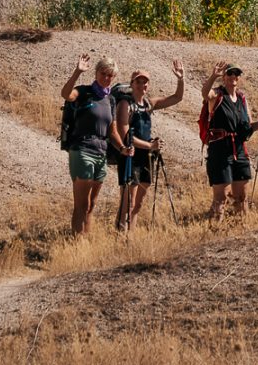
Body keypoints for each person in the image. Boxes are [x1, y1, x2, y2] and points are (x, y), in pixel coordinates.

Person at [110, 59, 185, 232]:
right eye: (138, 81)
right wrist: (150, 146)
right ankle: (121, 236)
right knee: (128, 200)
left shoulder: (149, 104)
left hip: (145, 157)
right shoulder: (125, 105)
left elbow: (177, 97)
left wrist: (180, 79)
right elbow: (125, 135)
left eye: (145, 82)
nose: (142, 85)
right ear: (132, 84)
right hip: (130, 155)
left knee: (139, 202)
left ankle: (132, 234)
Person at [61, 53, 123, 234]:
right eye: (103, 73)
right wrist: (77, 72)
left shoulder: (110, 100)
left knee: (92, 204)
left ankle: (85, 242)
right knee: (82, 203)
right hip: (82, 150)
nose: (106, 78)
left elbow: (112, 131)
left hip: (101, 153)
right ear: (96, 73)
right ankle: (77, 243)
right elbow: (66, 94)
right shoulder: (83, 92)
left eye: (110, 75)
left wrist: (123, 148)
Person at [202, 62, 258, 220]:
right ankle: (214, 230)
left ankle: (242, 229)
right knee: (221, 198)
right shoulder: (217, 95)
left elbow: (248, 128)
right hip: (219, 150)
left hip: (239, 150)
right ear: (224, 77)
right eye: (230, 74)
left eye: (236, 74)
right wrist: (213, 76)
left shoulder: (241, 99)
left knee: (241, 197)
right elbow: (205, 94)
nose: (233, 77)